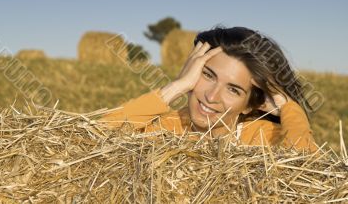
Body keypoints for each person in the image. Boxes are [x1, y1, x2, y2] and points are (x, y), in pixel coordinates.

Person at [99, 26, 317, 152]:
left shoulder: (265, 139)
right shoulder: (165, 128)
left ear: (250, 105)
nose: (212, 97)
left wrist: (286, 105)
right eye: (208, 75)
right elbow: (90, 140)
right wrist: (176, 87)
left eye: (233, 90)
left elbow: (303, 170)